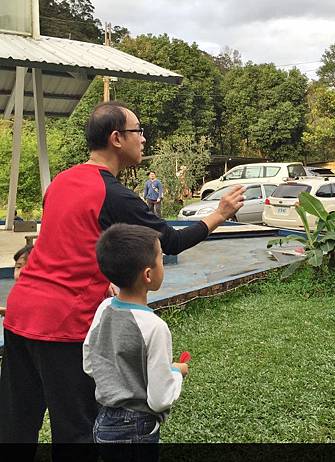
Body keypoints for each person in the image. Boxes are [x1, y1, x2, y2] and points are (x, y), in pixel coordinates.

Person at [0, 101, 244, 451]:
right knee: (75, 432)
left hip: (20, 310)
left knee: (16, 424)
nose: (143, 139)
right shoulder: (114, 195)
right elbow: (171, 241)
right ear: (116, 138)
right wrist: (219, 214)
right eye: (138, 131)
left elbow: (69, 245)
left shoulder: (61, 182)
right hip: (64, 322)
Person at [84, 224, 186, 460]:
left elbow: (90, 363)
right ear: (148, 275)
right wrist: (176, 372)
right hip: (137, 427)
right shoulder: (155, 327)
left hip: (104, 422)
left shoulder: (104, 308)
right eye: (161, 258)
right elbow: (159, 399)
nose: (163, 263)